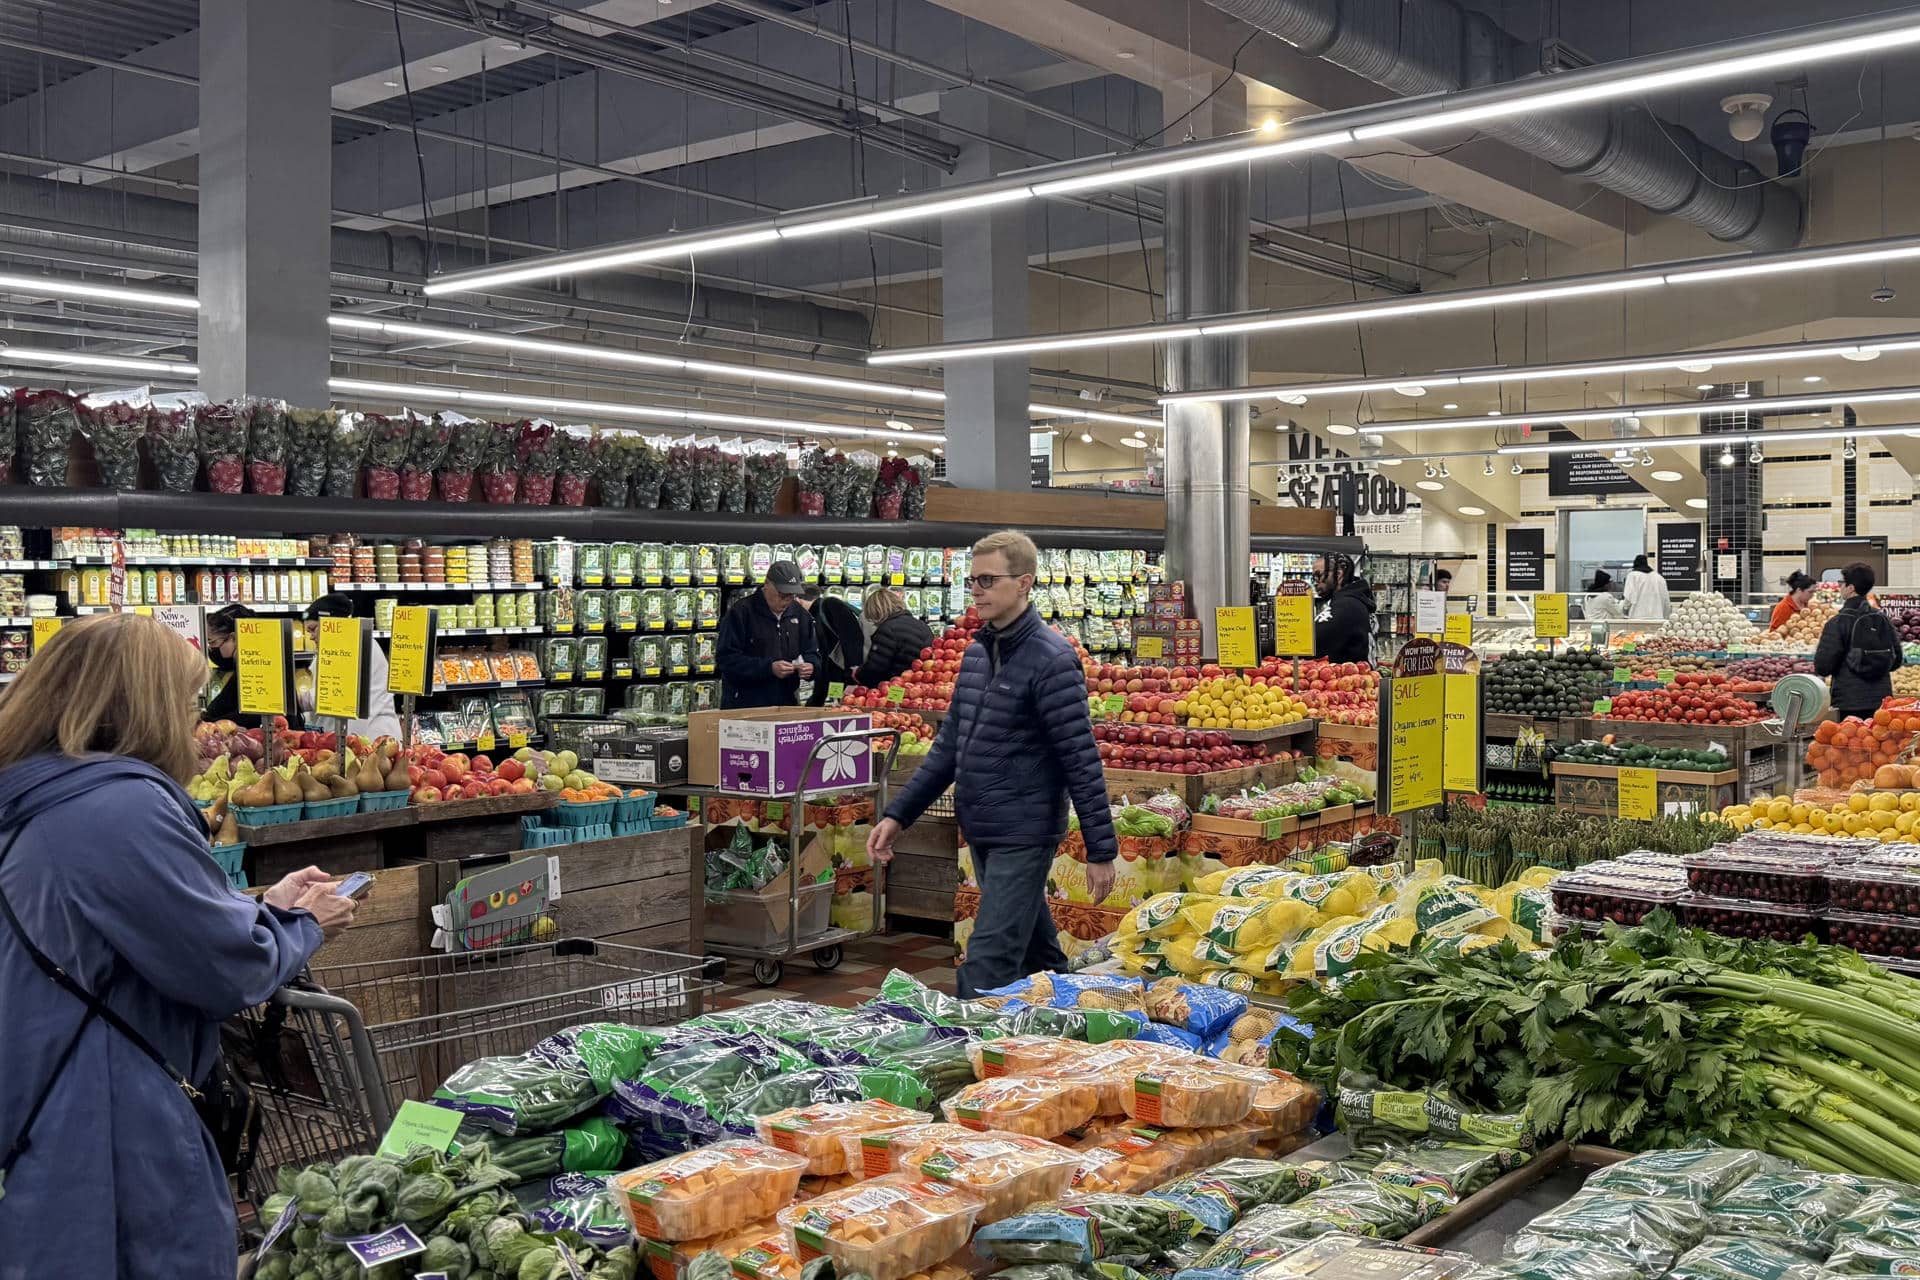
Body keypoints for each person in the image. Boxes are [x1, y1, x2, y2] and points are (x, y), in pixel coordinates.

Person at [0, 613, 357, 1279]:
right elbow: (223, 970)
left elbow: (115, 925)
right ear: (146, 705)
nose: (197, 721)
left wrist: (257, 905)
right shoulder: (119, 808)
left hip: (37, 1095)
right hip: (112, 1115)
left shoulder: (34, 796)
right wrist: (302, 926)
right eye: (188, 700)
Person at [868, 531, 1115, 996]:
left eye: (987, 579)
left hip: (1024, 831)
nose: (976, 590)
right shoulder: (978, 654)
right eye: (972, 580)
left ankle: (965, 1057)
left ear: (1023, 582)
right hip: (982, 827)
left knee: (987, 962)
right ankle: (1069, 1029)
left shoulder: (1053, 659)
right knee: (1038, 956)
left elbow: (1079, 758)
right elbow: (948, 750)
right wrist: (898, 815)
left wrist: (1101, 850)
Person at [717, 560, 819, 709]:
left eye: (791, 596)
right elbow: (726, 659)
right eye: (782, 595)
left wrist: (811, 666)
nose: (786, 601)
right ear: (767, 585)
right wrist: (768, 668)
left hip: (786, 704)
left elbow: (812, 652)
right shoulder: (741, 612)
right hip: (745, 705)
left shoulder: (800, 614)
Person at [301, 594, 404, 741]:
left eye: (313, 629)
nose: (311, 637)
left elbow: (339, 690)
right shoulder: (334, 647)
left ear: (329, 623)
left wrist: (302, 700)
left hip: (372, 737)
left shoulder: (355, 644)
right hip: (346, 737)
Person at [1815, 561, 1904, 722]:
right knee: (1878, 744)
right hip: (1882, 701)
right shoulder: (1882, 619)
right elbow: (1897, 660)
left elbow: (1823, 666)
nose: (1839, 586)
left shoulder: (1837, 623)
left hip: (1849, 702)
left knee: (1852, 744)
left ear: (1850, 588)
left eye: (1841, 583)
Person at [800, 586, 866, 707]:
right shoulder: (811, 618)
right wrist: (815, 701)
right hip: (835, 680)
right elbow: (826, 659)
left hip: (849, 677)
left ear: (798, 600)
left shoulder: (830, 605)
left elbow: (852, 639)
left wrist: (852, 677)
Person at [857, 586, 934, 687]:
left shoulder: (887, 629)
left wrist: (858, 675)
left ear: (876, 611)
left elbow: (875, 668)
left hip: (896, 689)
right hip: (921, 687)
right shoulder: (922, 625)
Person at [1313, 554, 1377, 663]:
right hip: (1357, 674)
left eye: (1318, 575)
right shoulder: (1355, 601)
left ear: (1338, 575)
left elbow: (1311, 642)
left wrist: (1277, 644)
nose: (1315, 582)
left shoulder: (1347, 606)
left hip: (1348, 677)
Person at [201, 602, 253, 722]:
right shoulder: (240, 667)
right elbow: (221, 704)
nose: (210, 648)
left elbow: (251, 715)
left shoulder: (254, 669)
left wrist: (212, 723)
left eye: (212, 642)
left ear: (233, 638)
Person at [1623, 554, 1671, 620]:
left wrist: (1624, 611)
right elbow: (1666, 601)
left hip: (1637, 617)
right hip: (1657, 617)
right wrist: (1665, 617)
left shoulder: (1632, 576)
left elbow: (1629, 598)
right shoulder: (1659, 577)